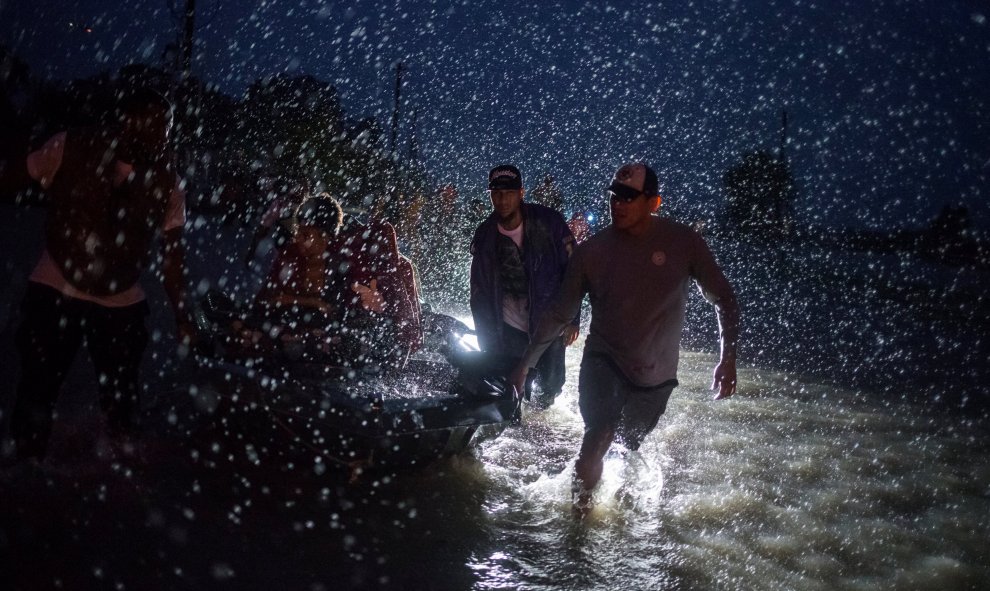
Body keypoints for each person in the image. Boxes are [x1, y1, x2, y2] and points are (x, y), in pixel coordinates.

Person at [508, 163, 739, 512]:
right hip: (604, 361)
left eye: (629, 197)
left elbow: (724, 298)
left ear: (654, 202)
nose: (618, 203)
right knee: (597, 436)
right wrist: (526, 365)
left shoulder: (684, 243)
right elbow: (558, 313)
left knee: (625, 443)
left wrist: (727, 358)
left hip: (655, 378)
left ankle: (617, 505)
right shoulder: (592, 253)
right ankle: (577, 528)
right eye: (614, 196)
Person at [7, 88, 196, 462]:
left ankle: (121, 466)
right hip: (55, 285)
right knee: (37, 387)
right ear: (127, 124)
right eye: (158, 127)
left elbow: (173, 258)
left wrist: (182, 316)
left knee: (123, 395)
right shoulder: (69, 146)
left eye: (169, 127)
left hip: (121, 298)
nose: (165, 136)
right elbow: (14, 177)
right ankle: (26, 464)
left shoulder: (168, 183)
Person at [470, 164, 578, 409]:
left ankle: (541, 429)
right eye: (496, 193)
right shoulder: (486, 235)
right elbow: (479, 292)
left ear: (521, 193)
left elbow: (573, 271)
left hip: (549, 321)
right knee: (514, 388)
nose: (502, 199)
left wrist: (574, 319)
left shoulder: (549, 223)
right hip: (507, 325)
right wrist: (486, 339)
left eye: (509, 193)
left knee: (551, 385)